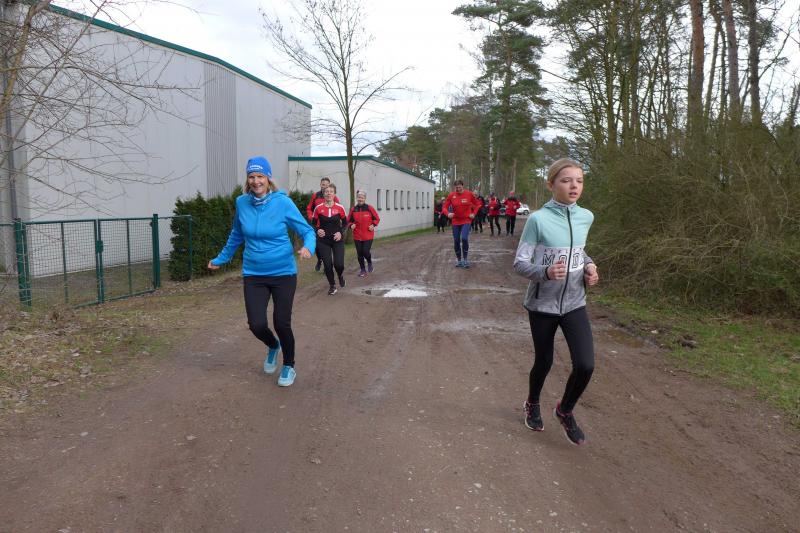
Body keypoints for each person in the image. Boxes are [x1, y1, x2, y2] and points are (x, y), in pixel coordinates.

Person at [513, 158, 600, 445]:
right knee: (544, 360)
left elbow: (579, 251)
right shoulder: (538, 220)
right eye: (566, 180)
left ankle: (564, 410)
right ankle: (532, 403)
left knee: (585, 364)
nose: (574, 185)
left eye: (579, 180)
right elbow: (520, 263)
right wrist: (545, 272)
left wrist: (589, 266)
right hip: (543, 305)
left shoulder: (586, 217)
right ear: (551, 184)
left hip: (575, 302)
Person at [208, 156, 315, 388]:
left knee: (281, 322)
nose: (256, 181)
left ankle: (289, 365)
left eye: (260, 176)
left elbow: (307, 231)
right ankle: (273, 346)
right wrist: (222, 258)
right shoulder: (241, 203)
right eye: (252, 176)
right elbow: (236, 234)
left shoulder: (283, 202)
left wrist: (308, 247)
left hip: (283, 273)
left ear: (268, 178)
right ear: (247, 179)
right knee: (256, 324)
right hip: (254, 274)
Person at [312, 183, 348, 295]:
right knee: (328, 265)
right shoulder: (318, 208)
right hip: (323, 241)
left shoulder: (340, 207)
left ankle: (340, 275)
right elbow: (313, 224)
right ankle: (332, 286)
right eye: (327, 192)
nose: (329, 194)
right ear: (323, 194)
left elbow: (345, 224)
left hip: (337, 240)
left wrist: (340, 233)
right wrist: (317, 230)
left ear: (334, 194)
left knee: (339, 264)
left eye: (331, 192)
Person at [442, 179, 479, 268]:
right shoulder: (451, 195)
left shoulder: (469, 194)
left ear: (462, 186)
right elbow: (444, 207)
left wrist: (473, 214)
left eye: (459, 187)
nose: (458, 189)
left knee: (464, 238)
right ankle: (459, 260)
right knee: (456, 240)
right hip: (455, 221)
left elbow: (477, 204)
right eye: (456, 188)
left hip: (466, 220)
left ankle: (465, 259)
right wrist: (448, 213)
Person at [306, 177, 340, 272]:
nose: (325, 186)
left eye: (327, 184)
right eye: (323, 184)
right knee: (317, 246)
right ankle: (319, 260)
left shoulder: (334, 197)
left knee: (327, 246)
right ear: (320, 185)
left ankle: (327, 266)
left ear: (329, 185)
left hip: (330, 226)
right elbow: (309, 208)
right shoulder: (315, 196)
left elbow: (338, 209)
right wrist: (311, 217)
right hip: (318, 225)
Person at [348, 190, 380, 277]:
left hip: (368, 235)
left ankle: (369, 262)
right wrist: (351, 225)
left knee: (365, 251)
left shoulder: (369, 208)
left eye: (362, 197)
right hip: (357, 236)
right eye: (359, 197)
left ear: (365, 198)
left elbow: (377, 219)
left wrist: (373, 225)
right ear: (357, 198)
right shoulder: (353, 209)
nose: (360, 199)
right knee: (360, 254)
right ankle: (363, 270)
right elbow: (348, 221)